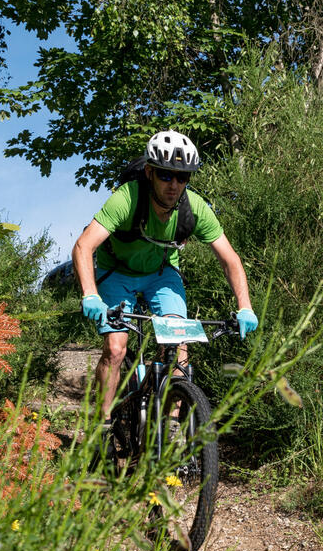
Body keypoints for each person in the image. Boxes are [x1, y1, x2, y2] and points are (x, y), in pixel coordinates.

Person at [71, 130, 259, 424]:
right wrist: (90, 294)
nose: (174, 184)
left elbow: (230, 259)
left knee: (177, 347)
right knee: (116, 348)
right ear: (150, 172)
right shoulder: (127, 199)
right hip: (116, 272)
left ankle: (169, 427)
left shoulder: (194, 208)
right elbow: (83, 246)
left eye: (182, 177)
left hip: (161, 276)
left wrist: (245, 306)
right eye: (166, 176)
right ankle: (102, 426)